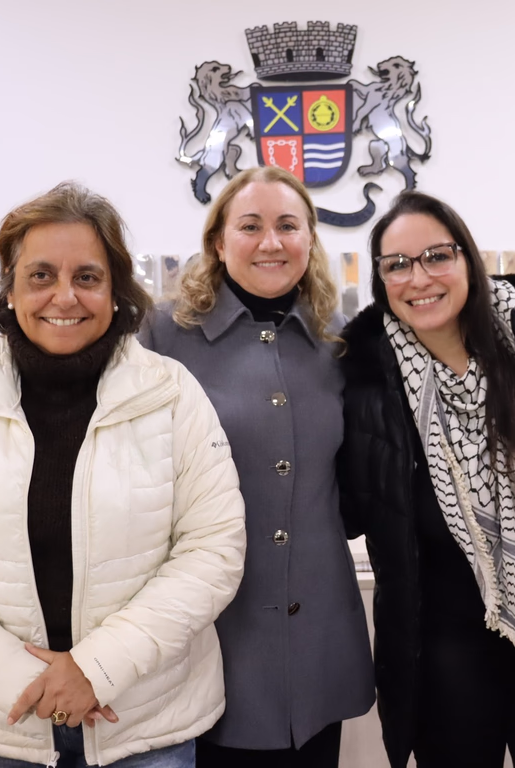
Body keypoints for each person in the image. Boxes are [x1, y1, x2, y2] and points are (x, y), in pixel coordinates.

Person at [0, 182, 246, 768]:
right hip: (5, 722)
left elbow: (212, 549)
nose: (64, 296)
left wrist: (94, 672)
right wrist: (22, 682)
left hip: (143, 723)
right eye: (41, 275)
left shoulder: (172, 394)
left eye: (87, 277)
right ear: (11, 287)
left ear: (115, 288)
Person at [339, 191, 515, 768]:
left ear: (468, 259)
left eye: (437, 255)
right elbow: (349, 507)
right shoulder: (363, 380)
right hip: (441, 644)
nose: (420, 278)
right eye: (398, 265)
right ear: (381, 279)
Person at [137, 165, 374, 767]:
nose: (271, 242)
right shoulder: (161, 338)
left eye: (288, 226)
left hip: (319, 633)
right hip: (215, 637)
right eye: (251, 226)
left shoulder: (338, 339)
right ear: (218, 242)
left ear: (310, 240)